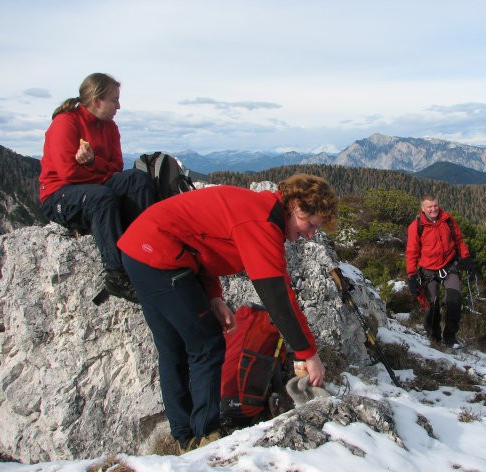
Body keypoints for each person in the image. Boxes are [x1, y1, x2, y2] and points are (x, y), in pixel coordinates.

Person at [117, 174, 338, 453]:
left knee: (173, 349)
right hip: (158, 253)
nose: (309, 234)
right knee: (207, 345)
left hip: (142, 250)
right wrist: (308, 353)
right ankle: (204, 437)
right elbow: (277, 297)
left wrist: (214, 296)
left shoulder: (260, 211)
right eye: (311, 225)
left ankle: (186, 436)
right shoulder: (261, 222)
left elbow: (200, 241)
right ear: (295, 205)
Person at [38, 73, 156, 302]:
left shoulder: (109, 127)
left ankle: (147, 250)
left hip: (94, 186)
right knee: (101, 197)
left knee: (137, 179)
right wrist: (101, 170)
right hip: (58, 195)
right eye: (114, 99)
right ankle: (116, 275)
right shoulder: (66, 123)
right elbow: (68, 173)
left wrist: (93, 162)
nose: (118, 106)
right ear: (96, 100)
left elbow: (117, 167)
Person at [405, 194, 475, 348]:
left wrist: (467, 258)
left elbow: (459, 240)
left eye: (435, 205)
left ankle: (450, 337)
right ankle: (434, 337)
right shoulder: (416, 227)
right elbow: (411, 252)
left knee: (454, 300)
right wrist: (411, 275)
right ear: (423, 209)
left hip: (450, 265)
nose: (433, 209)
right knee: (433, 303)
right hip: (428, 269)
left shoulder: (447, 220)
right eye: (429, 207)